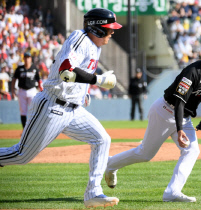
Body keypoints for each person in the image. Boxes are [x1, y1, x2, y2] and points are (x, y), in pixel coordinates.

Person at [0, 8, 122, 208]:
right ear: (97, 29)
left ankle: (93, 193)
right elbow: (67, 71)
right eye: (109, 29)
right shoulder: (80, 39)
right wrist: (99, 79)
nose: (112, 33)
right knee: (21, 155)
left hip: (73, 109)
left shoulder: (94, 45)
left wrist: (84, 93)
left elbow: (72, 76)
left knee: (102, 139)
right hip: (52, 106)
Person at [105, 36, 201, 202]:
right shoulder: (193, 71)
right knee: (145, 154)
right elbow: (179, 101)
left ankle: (172, 192)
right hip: (165, 111)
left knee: (192, 150)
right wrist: (180, 130)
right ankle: (110, 164)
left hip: (184, 116)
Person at [11, 52, 43, 128]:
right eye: (25, 57)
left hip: (32, 90)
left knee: (34, 110)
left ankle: (34, 128)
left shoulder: (34, 68)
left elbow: (39, 80)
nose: (27, 59)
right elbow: (14, 79)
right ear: (23, 58)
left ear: (30, 59)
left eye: (28, 57)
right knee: (23, 111)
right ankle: (25, 130)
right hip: (21, 91)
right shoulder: (19, 68)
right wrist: (12, 90)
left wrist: (41, 90)